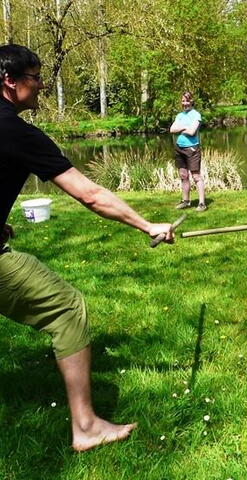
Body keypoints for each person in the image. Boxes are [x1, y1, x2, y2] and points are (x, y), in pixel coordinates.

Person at [0, 44, 174, 451]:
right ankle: (86, 427)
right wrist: (147, 224)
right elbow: (90, 194)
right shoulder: (15, 132)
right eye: (36, 78)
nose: (42, 85)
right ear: (10, 81)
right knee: (66, 308)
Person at [169, 91, 207, 212]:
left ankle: (202, 203)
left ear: (191, 101)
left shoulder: (196, 115)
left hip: (192, 148)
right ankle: (186, 201)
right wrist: (186, 127)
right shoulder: (179, 115)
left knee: (196, 176)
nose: (184, 103)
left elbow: (192, 132)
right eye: (183, 101)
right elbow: (171, 129)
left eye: (187, 101)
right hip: (179, 148)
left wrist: (180, 129)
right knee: (183, 175)